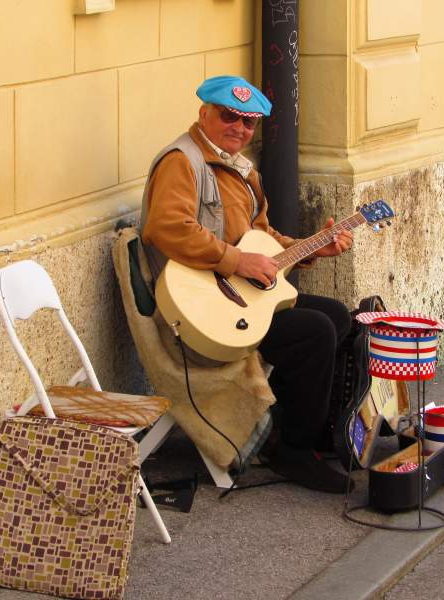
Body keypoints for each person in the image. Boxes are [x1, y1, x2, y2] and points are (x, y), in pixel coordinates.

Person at [140, 75, 354, 493]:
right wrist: (235, 260)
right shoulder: (182, 162)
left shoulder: (243, 172)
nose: (238, 128)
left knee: (336, 315)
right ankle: (294, 451)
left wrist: (312, 248)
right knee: (315, 332)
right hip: (201, 312)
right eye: (228, 116)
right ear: (204, 114)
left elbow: (262, 238)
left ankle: (286, 429)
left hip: (236, 295)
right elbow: (166, 227)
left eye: (248, 123)